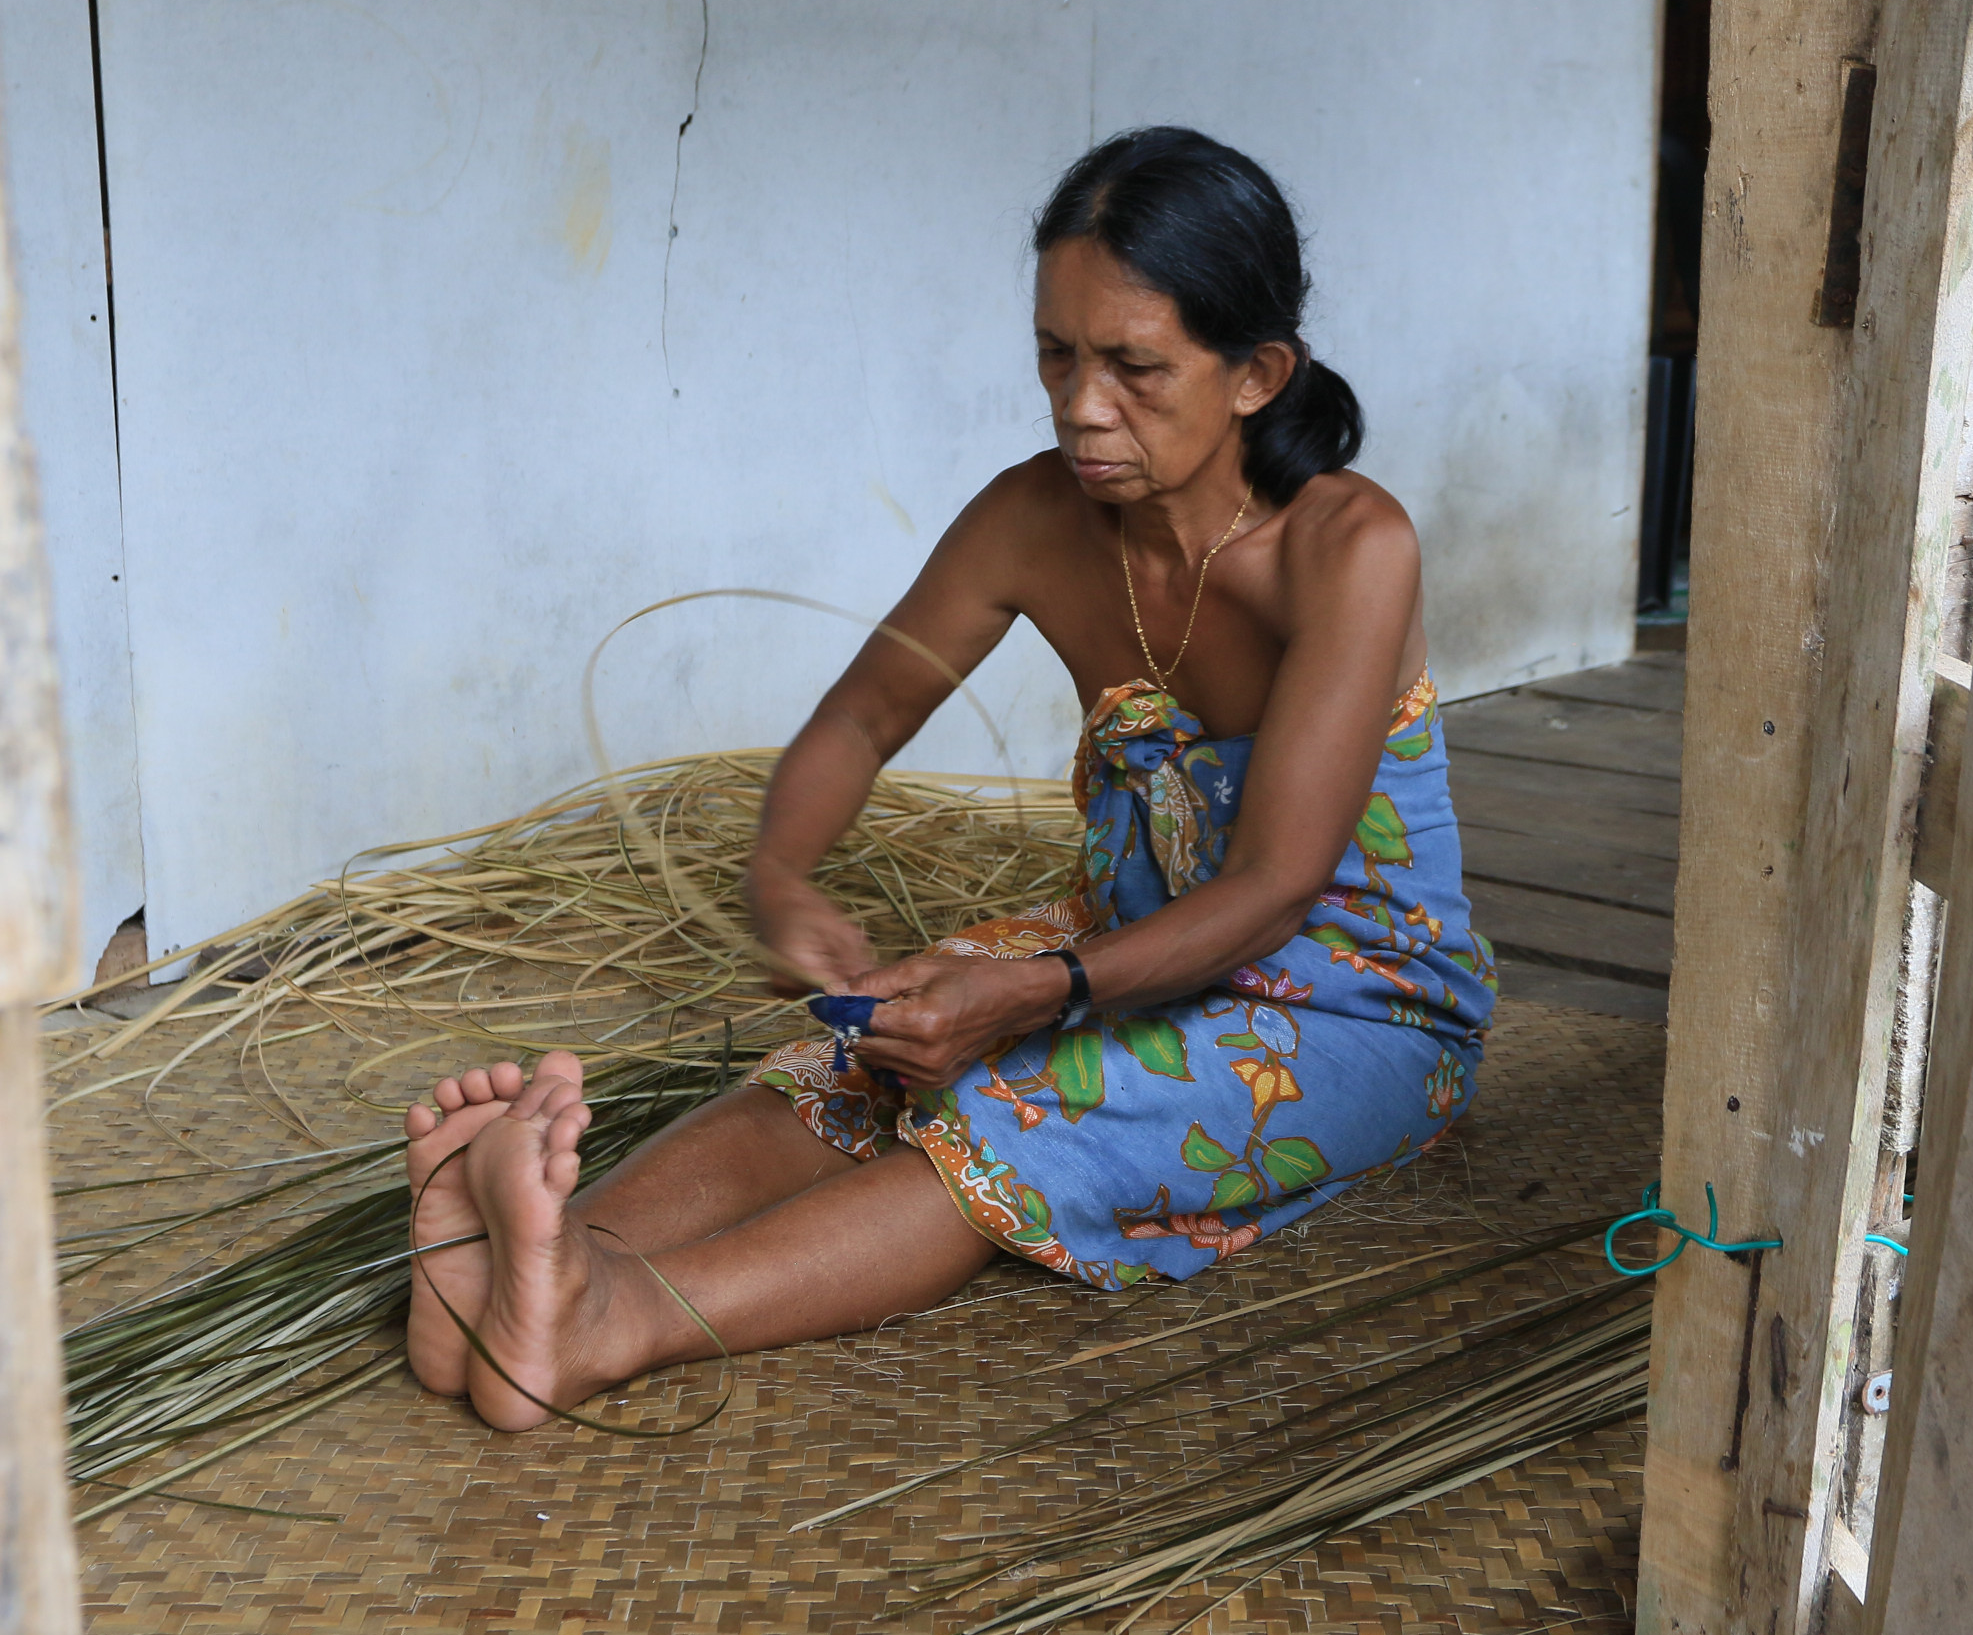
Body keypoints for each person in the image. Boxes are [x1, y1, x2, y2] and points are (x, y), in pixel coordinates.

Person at [401, 127, 1496, 1431]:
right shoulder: (1036, 517)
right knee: (868, 1049)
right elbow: (864, 718)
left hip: (1356, 1009)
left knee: (1036, 1102)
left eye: (1135, 368)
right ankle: (543, 1262)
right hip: (1128, 948)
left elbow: (1276, 884)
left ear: (1257, 373)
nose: (1083, 405)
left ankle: (620, 1321)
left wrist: (1036, 992)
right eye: (1057, 354)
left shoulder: (1348, 545)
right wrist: (780, 877)